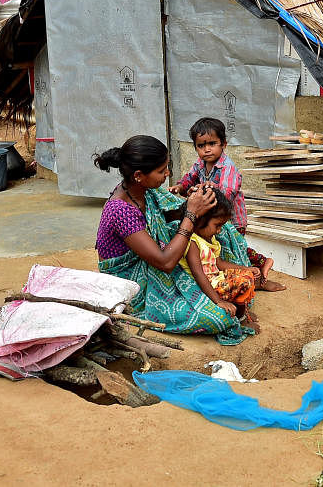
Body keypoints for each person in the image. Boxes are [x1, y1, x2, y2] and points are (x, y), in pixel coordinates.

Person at [93, 135, 255, 345]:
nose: (167, 174)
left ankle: (226, 276)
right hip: (131, 284)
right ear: (139, 175)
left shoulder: (144, 191)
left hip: (157, 260)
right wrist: (191, 214)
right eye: (162, 170)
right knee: (219, 318)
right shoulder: (120, 210)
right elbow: (165, 262)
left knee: (220, 227)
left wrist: (198, 199)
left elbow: (172, 212)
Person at [169, 117, 287, 291]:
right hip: (213, 218)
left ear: (223, 144)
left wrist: (210, 188)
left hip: (231, 220)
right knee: (220, 250)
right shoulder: (200, 164)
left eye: (212, 144)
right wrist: (180, 186)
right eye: (201, 146)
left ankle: (258, 280)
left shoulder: (228, 167)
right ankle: (256, 265)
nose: (207, 149)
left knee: (234, 250)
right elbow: (189, 178)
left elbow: (227, 192)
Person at [180, 188, 261, 331]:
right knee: (243, 282)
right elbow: (198, 274)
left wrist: (246, 269)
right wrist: (218, 301)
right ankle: (241, 318)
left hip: (217, 279)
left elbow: (219, 263)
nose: (219, 231)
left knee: (247, 276)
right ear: (200, 219)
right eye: (217, 225)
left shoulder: (210, 239)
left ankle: (243, 312)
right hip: (207, 286)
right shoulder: (192, 242)